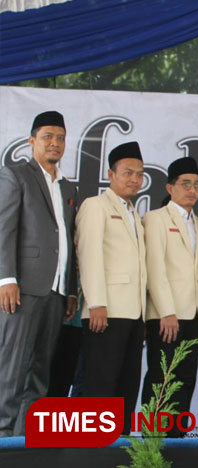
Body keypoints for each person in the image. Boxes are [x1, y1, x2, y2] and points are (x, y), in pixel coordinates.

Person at [0, 111, 77, 436]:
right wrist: (6, 278)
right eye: (48, 136)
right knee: (12, 370)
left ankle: (24, 445)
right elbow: (4, 229)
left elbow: (67, 241)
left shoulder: (67, 185)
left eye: (60, 137)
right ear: (32, 141)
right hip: (23, 288)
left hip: (56, 293)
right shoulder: (15, 175)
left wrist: (70, 290)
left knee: (40, 372)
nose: (54, 143)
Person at [76, 141, 147, 435]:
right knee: (99, 386)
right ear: (111, 174)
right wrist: (96, 303)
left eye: (139, 174)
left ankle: (118, 450)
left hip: (132, 313)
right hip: (105, 311)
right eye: (127, 172)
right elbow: (89, 256)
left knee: (126, 387)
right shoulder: (96, 206)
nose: (133, 179)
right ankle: (89, 453)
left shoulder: (133, 211)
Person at [141, 157, 198, 436]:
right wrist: (166, 312)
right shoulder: (156, 218)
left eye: (196, 184)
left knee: (185, 380)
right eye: (185, 184)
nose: (191, 190)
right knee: (161, 378)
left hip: (193, 315)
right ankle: (150, 441)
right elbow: (154, 268)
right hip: (166, 315)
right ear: (170, 187)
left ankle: (176, 441)